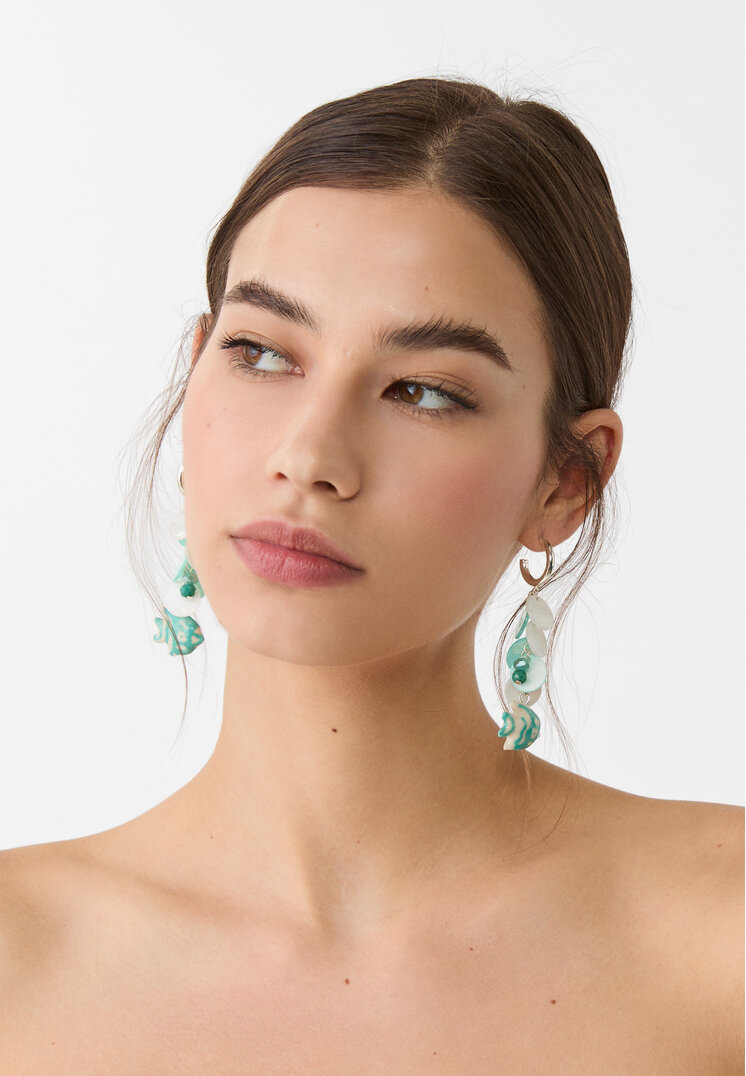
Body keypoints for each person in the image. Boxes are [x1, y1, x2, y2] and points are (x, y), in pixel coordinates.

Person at [1, 75, 742, 1072]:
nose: (309, 455)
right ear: (194, 374)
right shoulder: (18, 965)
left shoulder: (719, 940)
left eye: (423, 391)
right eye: (261, 353)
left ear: (566, 481)